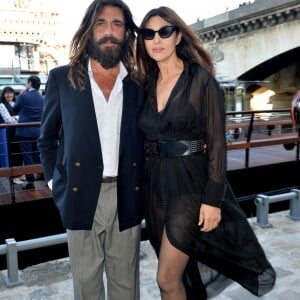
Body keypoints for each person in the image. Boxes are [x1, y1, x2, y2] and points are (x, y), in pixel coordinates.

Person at [136, 6, 276, 300]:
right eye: (148, 34)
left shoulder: (201, 80)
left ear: (177, 37)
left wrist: (212, 200)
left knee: (166, 277)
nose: (156, 39)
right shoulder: (145, 85)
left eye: (164, 31)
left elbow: (216, 143)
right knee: (180, 276)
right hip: (154, 186)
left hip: (190, 184)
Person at [37, 1, 144, 299]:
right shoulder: (62, 78)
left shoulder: (138, 83)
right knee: (86, 288)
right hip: (79, 193)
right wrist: (55, 183)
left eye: (117, 24)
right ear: (89, 29)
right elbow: (46, 139)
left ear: (126, 34)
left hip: (126, 196)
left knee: (126, 287)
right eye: (101, 23)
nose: (109, 31)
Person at [14, 75, 44, 190]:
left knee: (27, 156)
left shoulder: (23, 96)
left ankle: (30, 181)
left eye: (27, 82)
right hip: (39, 131)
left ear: (30, 83)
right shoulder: (43, 98)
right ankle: (43, 175)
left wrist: (21, 96)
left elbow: (14, 109)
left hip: (25, 131)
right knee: (37, 154)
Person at [0, 86, 24, 182]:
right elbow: (8, 120)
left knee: (19, 153)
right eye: (7, 93)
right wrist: (17, 118)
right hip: (9, 132)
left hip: (18, 131)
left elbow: (21, 116)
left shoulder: (15, 103)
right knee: (11, 152)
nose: (9, 95)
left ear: (14, 94)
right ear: (3, 94)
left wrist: (16, 117)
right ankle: (13, 176)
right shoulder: (2, 105)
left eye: (11, 93)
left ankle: (19, 174)